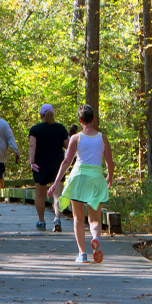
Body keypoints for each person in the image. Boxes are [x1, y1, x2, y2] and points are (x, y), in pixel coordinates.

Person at [50, 104, 114, 264]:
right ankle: (95, 238)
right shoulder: (102, 138)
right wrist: (109, 179)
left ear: (80, 120)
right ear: (93, 119)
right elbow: (109, 163)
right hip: (96, 179)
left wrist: (56, 183)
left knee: (78, 218)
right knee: (95, 219)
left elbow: (66, 162)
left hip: (78, 178)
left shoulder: (76, 138)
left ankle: (82, 254)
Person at [28, 103, 70, 231]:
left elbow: (32, 146)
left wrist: (32, 161)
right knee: (58, 195)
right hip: (57, 165)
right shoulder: (60, 128)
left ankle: (41, 221)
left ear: (41, 115)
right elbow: (68, 146)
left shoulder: (35, 129)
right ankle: (57, 219)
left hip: (40, 165)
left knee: (40, 195)